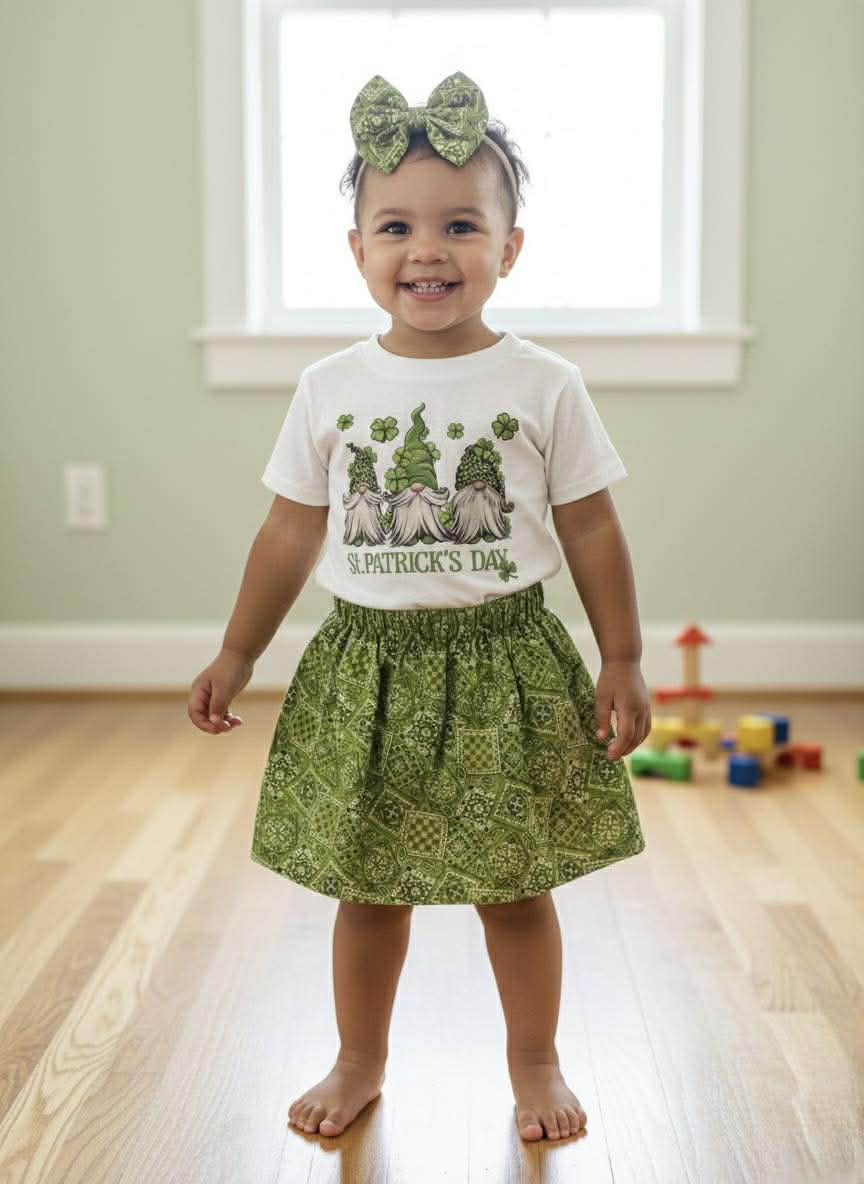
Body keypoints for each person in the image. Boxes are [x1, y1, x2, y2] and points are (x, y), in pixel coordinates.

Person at [187, 70, 651, 1145]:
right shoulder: (330, 385)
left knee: (515, 887)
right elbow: (291, 531)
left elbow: (591, 527)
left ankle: (535, 1058)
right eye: (395, 225)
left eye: (460, 225)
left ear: (510, 247)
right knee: (370, 887)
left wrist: (620, 655)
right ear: (358, 250)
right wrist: (238, 648)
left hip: (505, 666)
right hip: (369, 671)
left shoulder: (545, 385)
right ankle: (359, 1054)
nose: (427, 249)